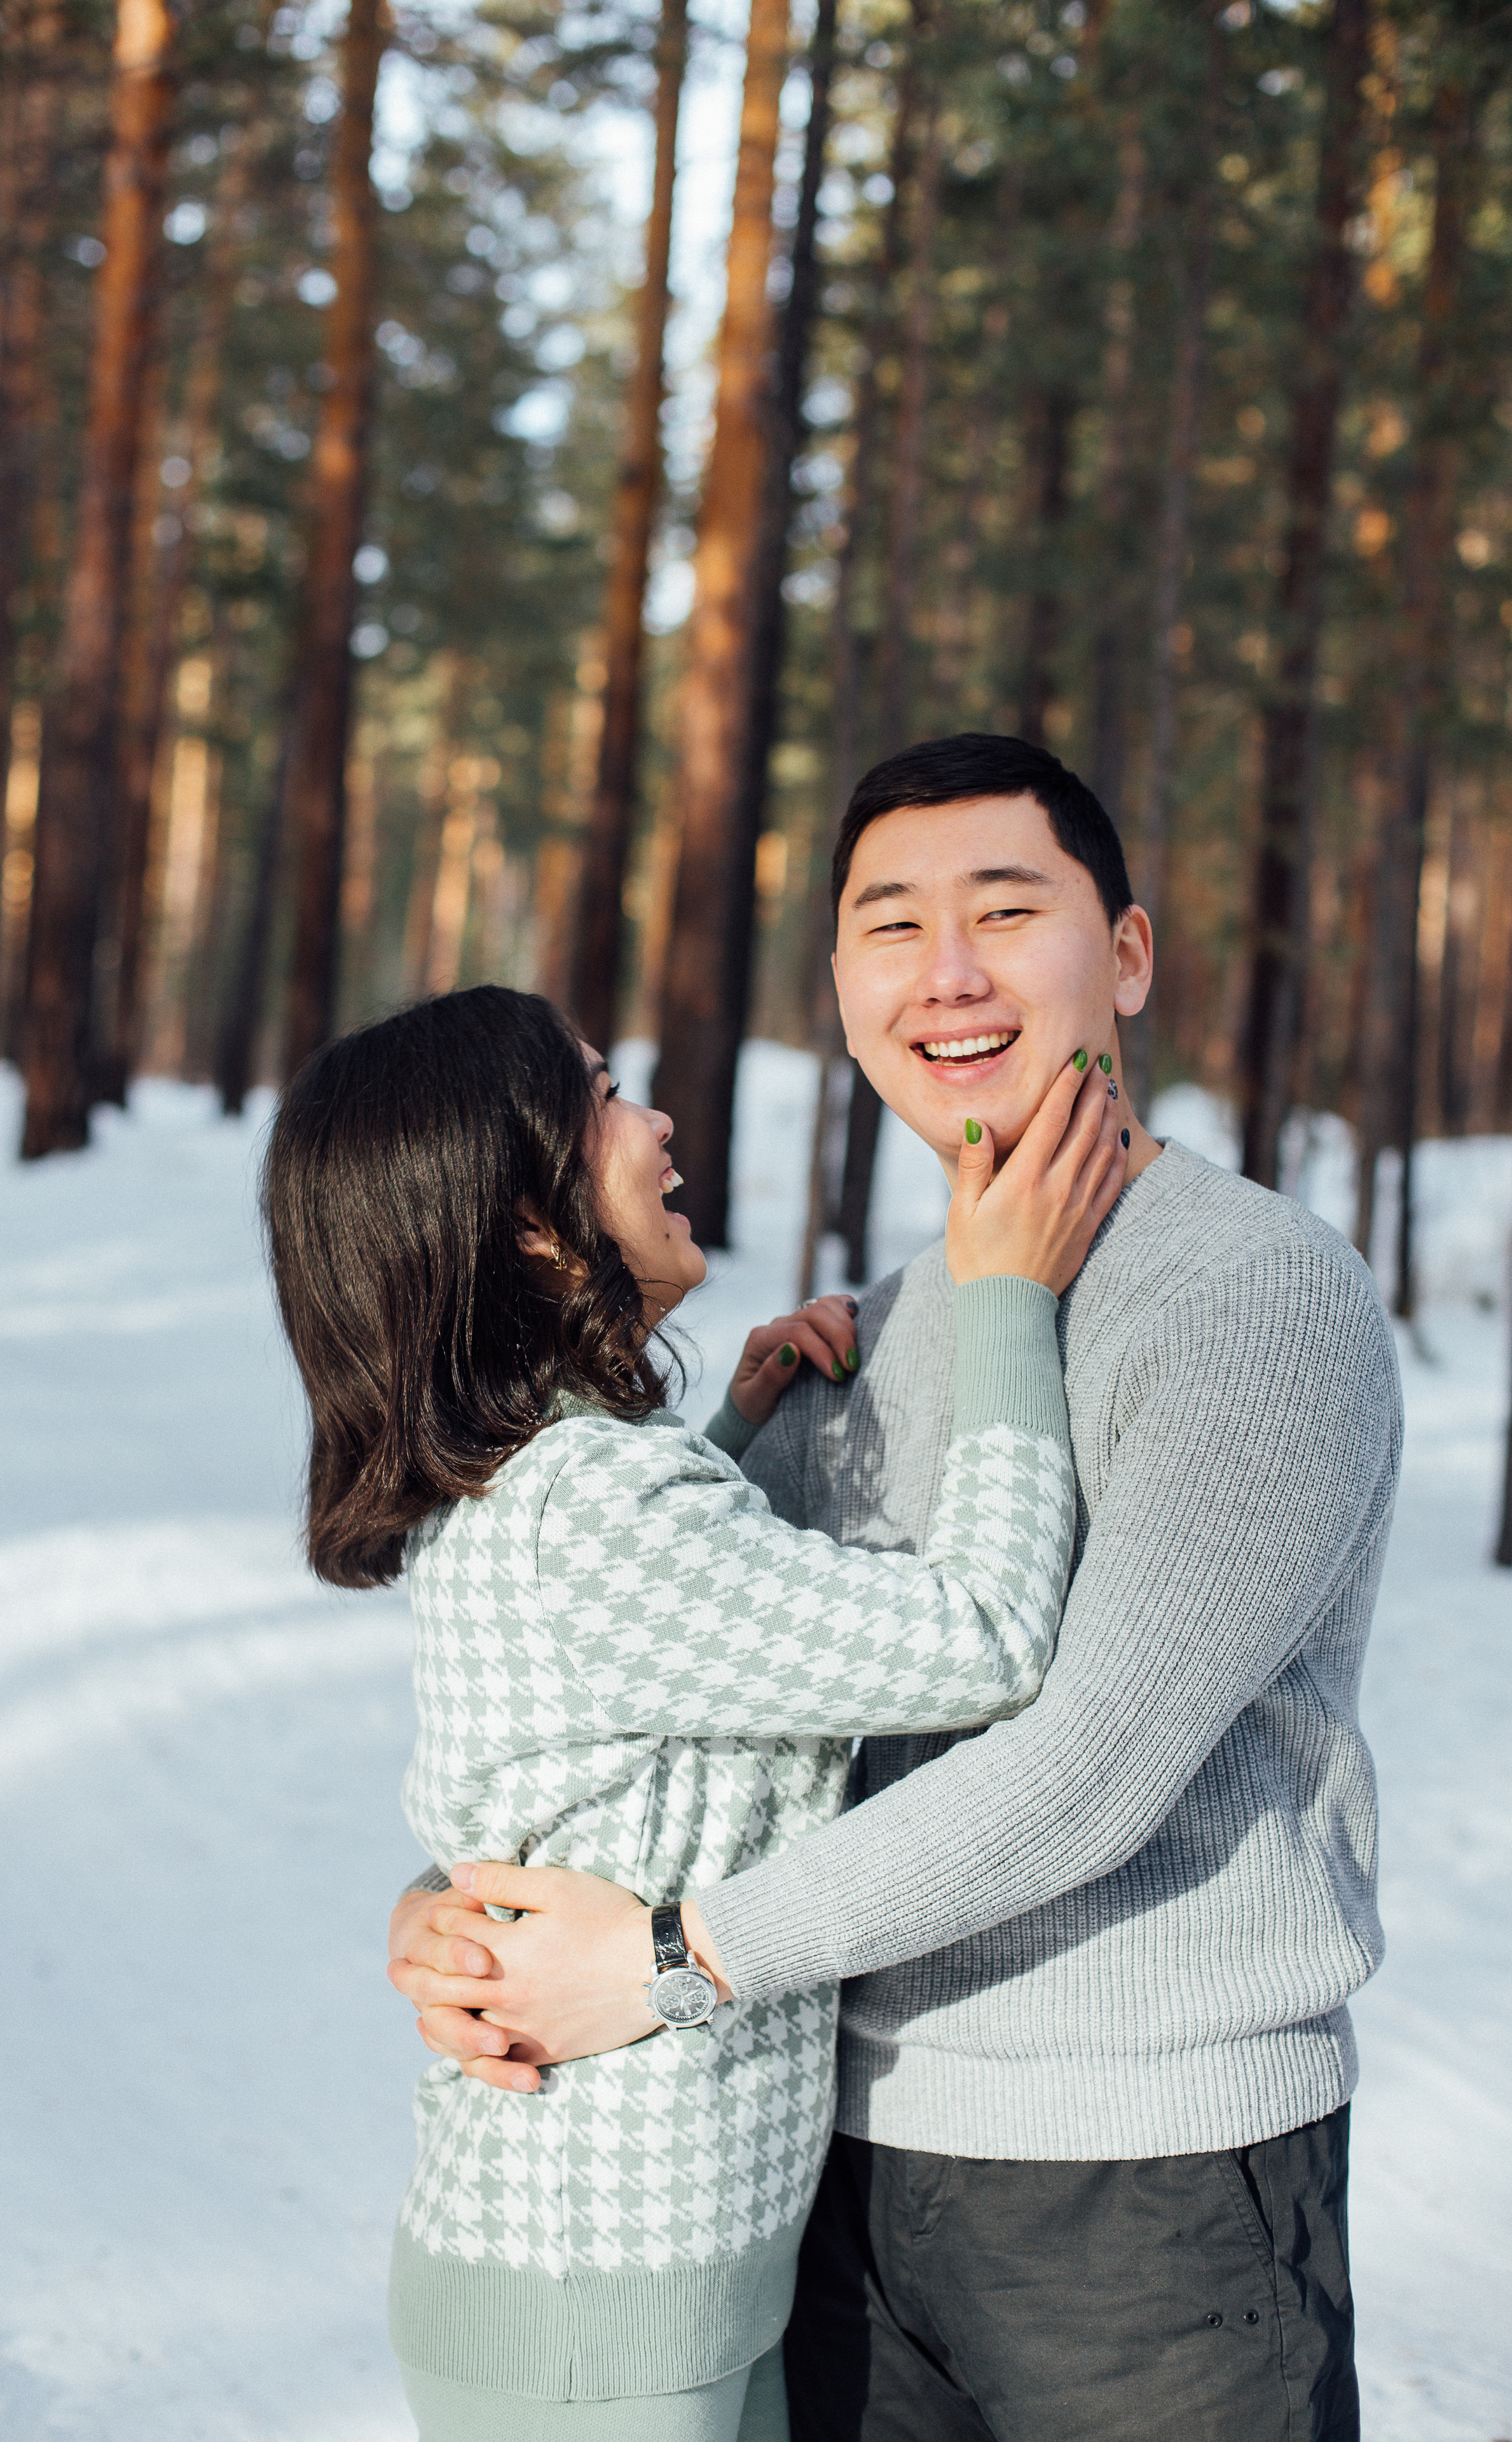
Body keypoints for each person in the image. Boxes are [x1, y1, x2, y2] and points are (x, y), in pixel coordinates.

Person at [390, 736, 1403, 2442]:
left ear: (1129, 959)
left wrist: (669, 1959)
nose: (948, 975)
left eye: (1007, 912)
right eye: (890, 927)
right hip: (831, 2177)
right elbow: (653, 1693)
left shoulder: (1251, 1295)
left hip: (1144, 2197)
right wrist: (456, 1908)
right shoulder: (875, 1327)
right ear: (848, 991)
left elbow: (1085, 1766)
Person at [260, 980, 1127, 2442]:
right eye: (605, 1096)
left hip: (632, 2292)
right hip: (600, 2311)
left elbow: (610, 1747)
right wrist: (1006, 1299)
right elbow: (982, 1637)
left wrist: (734, 1430)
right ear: (530, 1223)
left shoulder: (552, 1477)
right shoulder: (593, 1502)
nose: (658, 1124)